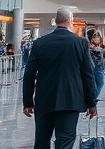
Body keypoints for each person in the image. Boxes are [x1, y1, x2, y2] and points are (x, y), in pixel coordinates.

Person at [23, 8, 97, 149]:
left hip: (44, 100)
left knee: (42, 140)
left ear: (56, 21)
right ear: (70, 20)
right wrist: (91, 103)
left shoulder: (40, 43)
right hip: (70, 100)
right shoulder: (80, 43)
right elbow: (88, 75)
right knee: (65, 141)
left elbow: (29, 74)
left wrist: (28, 102)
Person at [88, 30, 105, 102]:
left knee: (96, 84)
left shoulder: (94, 47)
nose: (96, 40)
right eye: (95, 38)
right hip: (97, 68)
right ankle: (92, 100)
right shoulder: (92, 48)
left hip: (96, 67)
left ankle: (93, 98)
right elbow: (97, 57)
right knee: (100, 83)